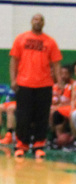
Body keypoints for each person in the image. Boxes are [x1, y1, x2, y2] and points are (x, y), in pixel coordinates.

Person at [9, 13, 62, 159]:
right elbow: (14, 61)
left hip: (44, 84)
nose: (38, 22)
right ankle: (21, 145)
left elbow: (56, 63)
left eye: (40, 20)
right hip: (24, 84)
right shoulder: (21, 38)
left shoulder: (50, 42)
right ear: (31, 21)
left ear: (44, 23)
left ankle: (39, 145)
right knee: (23, 116)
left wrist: (60, 81)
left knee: (42, 117)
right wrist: (13, 80)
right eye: (35, 19)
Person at [49, 64, 74, 148]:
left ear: (70, 74)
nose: (63, 76)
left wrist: (59, 106)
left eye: (65, 73)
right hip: (60, 108)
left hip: (69, 108)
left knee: (55, 113)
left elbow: (73, 101)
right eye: (61, 73)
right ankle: (54, 138)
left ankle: (57, 138)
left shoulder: (73, 85)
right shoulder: (57, 86)